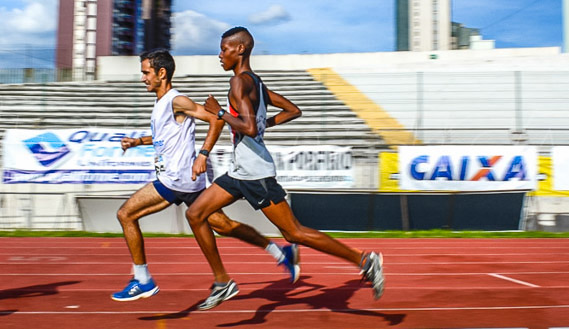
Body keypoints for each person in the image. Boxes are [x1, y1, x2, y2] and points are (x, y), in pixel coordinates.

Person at [185, 27, 384, 310]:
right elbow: (293, 110)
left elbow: (250, 128)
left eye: (224, 49)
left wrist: (220, 113)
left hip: (256, 174)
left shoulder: (240, 83)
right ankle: (222, 283)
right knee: (195, 213)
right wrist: (259, 124)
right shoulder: (257, 83)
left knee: (294, 233)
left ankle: (364, 260)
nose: (220, 55)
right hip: (239, 172)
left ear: (240, 49)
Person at [111, 49, 299, 301]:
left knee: (126, 214)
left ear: (162, 73)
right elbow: (164, 138)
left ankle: (143, 279)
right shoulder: (162, 103)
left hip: (176, 179)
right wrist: (138, 142)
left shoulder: (176, 100)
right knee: (224, 225)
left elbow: (216, 120)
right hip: (188, 180)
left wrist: (203, 154)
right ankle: (280, 253)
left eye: (146, 73)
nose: (143, 78)